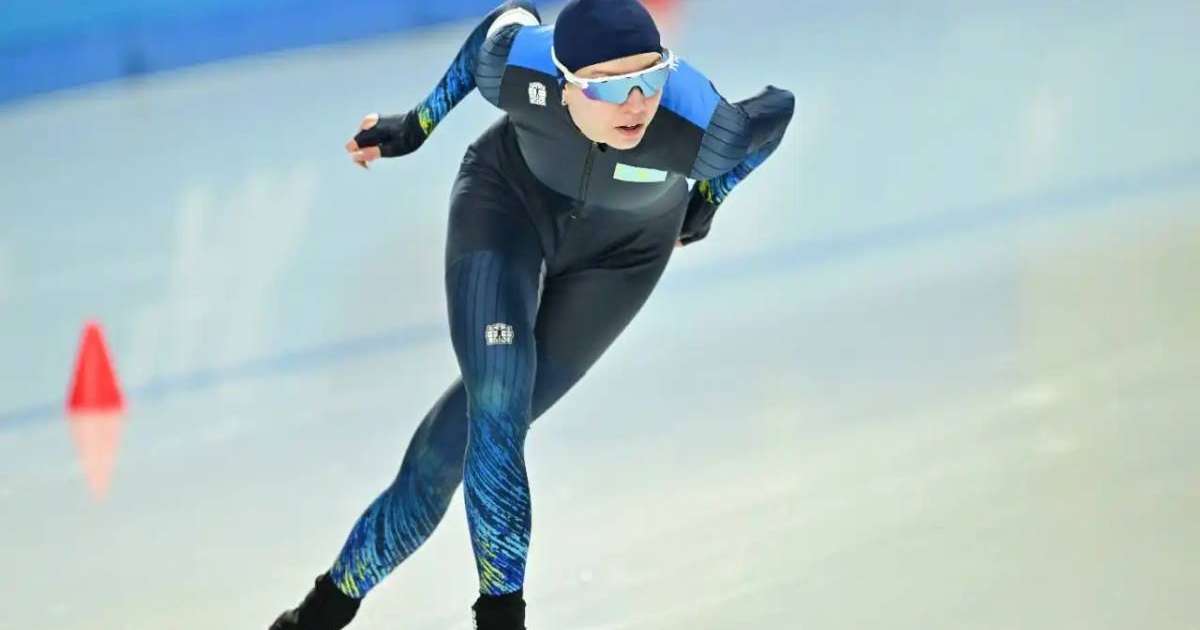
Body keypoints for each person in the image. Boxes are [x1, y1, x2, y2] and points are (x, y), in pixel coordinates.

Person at [269, 0, 793, 628]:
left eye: (650, 78)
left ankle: (316, 617)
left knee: (449, 446)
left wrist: (708, 200)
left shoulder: (700, 124)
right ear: (565, 81)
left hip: (623, 259)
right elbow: (503, 22)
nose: (636, 104)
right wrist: (416, 125)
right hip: (506, 207)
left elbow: (777, 109)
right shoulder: (520, 69)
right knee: (495, 407)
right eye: (612, 86)